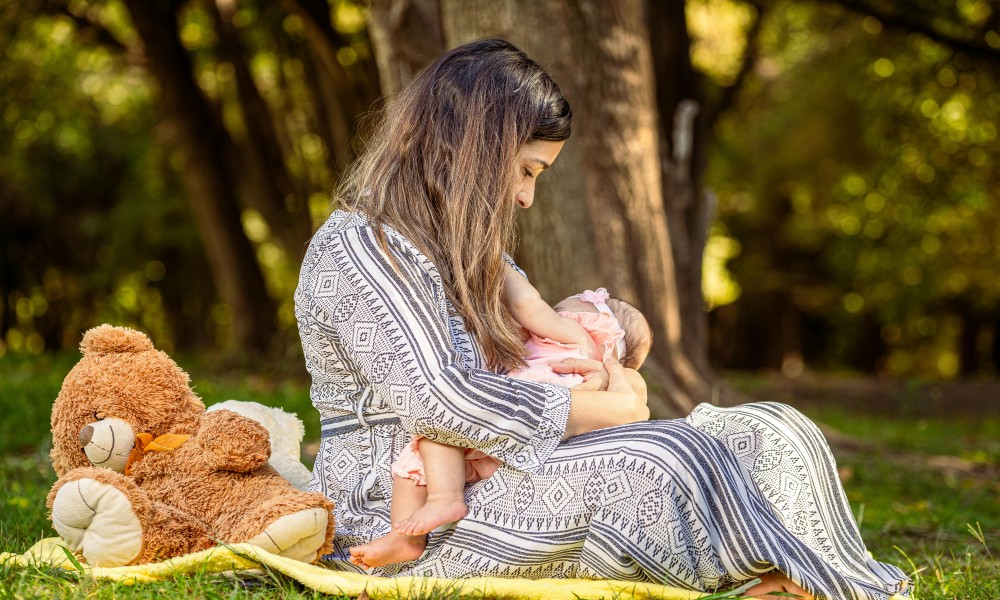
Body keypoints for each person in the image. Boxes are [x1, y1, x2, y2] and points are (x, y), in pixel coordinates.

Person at [294, 39, 911, 599]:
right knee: (663, 461)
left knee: (771, 430)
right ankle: (781, 577)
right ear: (473, 146)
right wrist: (616, 410)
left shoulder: (477, 257)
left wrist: (612, 385)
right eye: (526, 170)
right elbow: (439, 402)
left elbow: (543, 363)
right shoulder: (359, 247)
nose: (526, 197)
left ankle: (808, 581)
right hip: (406, 506)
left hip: (506, 465)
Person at [349, 284, 654, 568]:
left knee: (433, 438)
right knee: (431, 446)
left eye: (562, 309)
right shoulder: (591, 370)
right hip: (525, 447)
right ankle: (407, 538)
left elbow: (527, 304)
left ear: (594, 324)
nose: (553, 312)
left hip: (513, 418)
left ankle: (435, 507)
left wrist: (505, 272)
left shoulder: (577, 338)